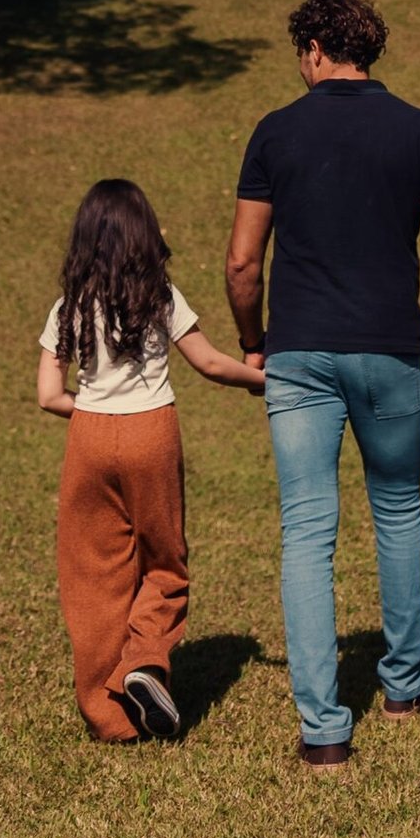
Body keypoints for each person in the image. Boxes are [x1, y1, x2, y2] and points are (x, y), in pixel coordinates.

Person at [225, 0, 420, 769]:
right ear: (366, 50)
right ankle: (405, 685)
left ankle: (324, 730)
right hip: (391, 350)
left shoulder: (275, 133)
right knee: (398, 510)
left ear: (312, 50)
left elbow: (243, 262)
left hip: (299, 353)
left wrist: (252, 341)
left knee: (307, 530)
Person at [37, 177, 265, 744]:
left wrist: (92, 414)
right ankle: (144, 661)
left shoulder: (67, 308)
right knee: (163, 562)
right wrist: (262, 379)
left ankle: (109, 716)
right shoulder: (161, 296)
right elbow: (209, 363)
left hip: (87, 435)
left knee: (92, 571)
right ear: (144, 236)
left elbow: (47, 395)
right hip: (153, 433)